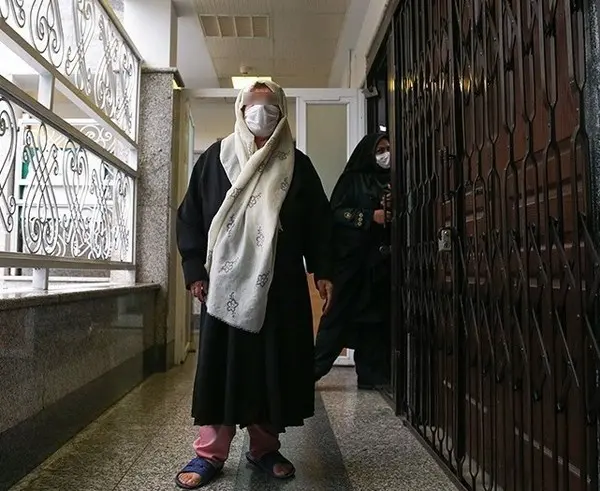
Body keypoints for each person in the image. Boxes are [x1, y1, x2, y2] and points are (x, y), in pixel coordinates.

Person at [175, 81, 333, 489]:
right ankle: (209, 453)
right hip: (224, 285)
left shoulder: (296, 164)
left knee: (270, 367)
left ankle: (264, 448)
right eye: (253, 105)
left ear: (282, 112)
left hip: (279, 288)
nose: (261, 113)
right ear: (240, 109)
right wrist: (194, 269)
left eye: (270, 106)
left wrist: (323, 270)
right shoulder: (216, 159)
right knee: (222, 367)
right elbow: (191, 216)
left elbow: (318, 223)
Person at [314, 133, 392, 390]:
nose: (385, 155)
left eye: (388, 149)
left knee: (373, 320)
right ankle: (309, 372)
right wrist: (370, 217)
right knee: (336, 319)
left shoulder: (393, 180)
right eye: (380, 150)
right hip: (350, 263)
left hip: (379, 265)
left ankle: (371, 376)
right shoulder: (352, 180)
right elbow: (335, 213)